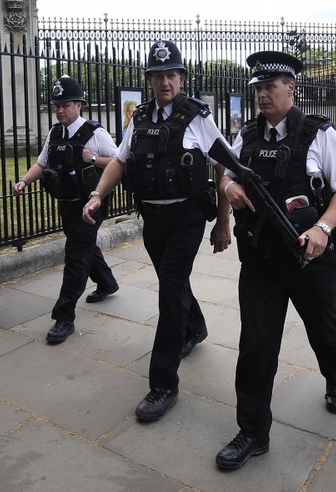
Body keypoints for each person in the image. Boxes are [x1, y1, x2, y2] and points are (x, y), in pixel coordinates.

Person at [215, 51, 336, 471]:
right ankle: (253, 432)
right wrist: (227, 188)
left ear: (291, 88)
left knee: (324, 329)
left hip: (311, 257)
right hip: (261, 259)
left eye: (269, 87)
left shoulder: (318, 132)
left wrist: (323, 228)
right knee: (256, 346)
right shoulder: (246, 134)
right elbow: (225, 170)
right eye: (257, 87)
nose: (262, 94)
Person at [82, 39, 231, 423]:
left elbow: (223, 166)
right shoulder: (141, 117)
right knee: (175, 284)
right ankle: (194, 328)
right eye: (158, 76)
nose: (165, 82)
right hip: (153, 219)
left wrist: (223, 223)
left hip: (186, 218)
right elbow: (119, 160)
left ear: (181, 78)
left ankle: (163, 384)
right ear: (150, 80)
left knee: (169, 291)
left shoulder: (199, 117)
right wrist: (98, 194)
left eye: (171, 75)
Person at [13, 75, 120, 345]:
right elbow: (42, 163)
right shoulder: (55, 133)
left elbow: (120, 161)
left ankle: (64, 317)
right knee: (82, 248)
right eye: (57, 105)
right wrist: (25, 180)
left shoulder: (95, 133)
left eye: (66, 104)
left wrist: (93, 158)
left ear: (79, 105)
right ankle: (107, 282)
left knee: (75, 258)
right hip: (67, 205)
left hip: (90, 205)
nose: (60, 109)